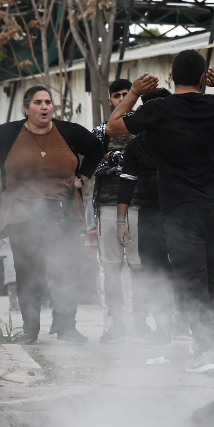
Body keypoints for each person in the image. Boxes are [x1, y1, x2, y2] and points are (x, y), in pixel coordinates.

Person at [105, 51, 214, 375]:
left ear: (172, 77)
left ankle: (206, 350)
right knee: (208, 276)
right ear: (203, 79)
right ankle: (207, 343)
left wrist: (134, 93)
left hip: (180, 209)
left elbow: (113, 126)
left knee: (192, 280)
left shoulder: (159, 109)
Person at [0, 85, 102, 344]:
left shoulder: (69, 131)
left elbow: (96, 148)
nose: (44, 107)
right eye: (38, 102)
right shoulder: (8, 133)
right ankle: (30, 330)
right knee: (29, 272)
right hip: (22, 214)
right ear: (26, 108)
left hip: (64, 211)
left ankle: (66, 327)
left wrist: (82, 178)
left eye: (48, 102)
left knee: (67, 270)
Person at [116, 88, 174, 347]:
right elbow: (126, 184)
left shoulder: (184, 139)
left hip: (182, 214)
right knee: (153, 272)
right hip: (149, 216)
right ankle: (163, 328)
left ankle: (192, 325)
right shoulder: (136, 145)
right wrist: (121, 222)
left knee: (187, 270)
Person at [91, 78, 144, 342]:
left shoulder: (145, 127)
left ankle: (142, 323)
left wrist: (114, 160)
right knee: (111, 268)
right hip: (108, 206)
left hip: (141, 205)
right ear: (110, 101)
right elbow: (91, 165)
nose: (123, 99)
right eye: (118, 95)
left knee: (140, 267)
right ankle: (116, 325)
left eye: (127, 94)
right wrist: (117, 160)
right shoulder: (101, 132)